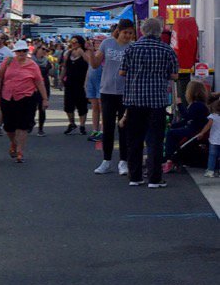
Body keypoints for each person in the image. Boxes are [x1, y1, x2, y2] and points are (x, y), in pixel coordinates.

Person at [120, 17, 179, 188]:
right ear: (160, 31)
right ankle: (154, 178)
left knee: (134, 141)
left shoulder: (132, 48)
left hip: (135, 100)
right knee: (155, 141)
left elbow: (122, 72)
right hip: (157, 102)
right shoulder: (167, 50)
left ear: (142, 31)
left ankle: (135, 177)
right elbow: (175, 75)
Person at [89, 19, 134, 176]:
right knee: (107, 127)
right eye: (125, 32)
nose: (128, 36)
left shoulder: (132, 47)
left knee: (124, 127)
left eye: (130, 33)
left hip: (125, 92)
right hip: (107, 91)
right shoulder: (107, 43)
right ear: (119, 31)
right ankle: (106, 161)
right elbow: (95, 64)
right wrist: (89, 51)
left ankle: (123, 161)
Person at [0, 39, 47, 163]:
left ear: (27, 52)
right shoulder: (8, 61)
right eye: (19, 51)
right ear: (15, 52)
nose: (21, 53)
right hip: (8, 96)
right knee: (8, 126)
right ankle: (13, 143)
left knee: (22, 125)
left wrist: (44, 98)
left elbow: (39, 81)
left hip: (26, 97)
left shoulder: (32, 65)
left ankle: (19, 151)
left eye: (23, 51)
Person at [163, 79, 210, 172]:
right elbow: (187, 120)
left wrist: (180, 105)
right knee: (173, 132)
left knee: (171, 134)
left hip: (194, 131)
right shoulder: (199, 105)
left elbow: (187, 117)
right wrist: (173, 125)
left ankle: (169, 159)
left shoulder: (197, 105)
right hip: (193, 128)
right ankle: (174, 159)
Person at [61, 35, 90, 135]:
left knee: (82, 105)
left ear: (80, 43)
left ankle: (82, 125)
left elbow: (91, 64)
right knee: (68, 105)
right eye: (72, 42)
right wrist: (61, 78)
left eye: (75, 42)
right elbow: (64, 66)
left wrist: (82, 53)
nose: (73, 44)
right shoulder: (68, 53)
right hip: (69, 83)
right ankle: (72, 123)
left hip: (81, 83)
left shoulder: (85, 53)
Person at [196, 96, 220, 178]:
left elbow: (208, 126)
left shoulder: (213, 116)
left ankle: (210, 170)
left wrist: (202, 133)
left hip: (214, 140)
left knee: (212, 155)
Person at [31, 41, 52, 135]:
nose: (44, 51)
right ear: (37, 49)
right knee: (32, 107)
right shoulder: (31, 60)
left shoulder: (47, 61)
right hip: (32, 85)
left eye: (46, 50)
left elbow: (50, 72)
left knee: (42, 107)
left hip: (44, 85)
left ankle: (41, 128)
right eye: (43, 49)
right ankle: (31, 123)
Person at [85, 41, 104, 141]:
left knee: (102, 107)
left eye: (99, 42)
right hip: (92, 83)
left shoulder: (104, 55)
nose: (97, 44)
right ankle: (95, 130)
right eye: (95, 42)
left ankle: (102, 131)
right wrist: (86, 83)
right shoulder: (92, 54)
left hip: (101, 83)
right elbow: (89, 68)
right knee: (94, 107)